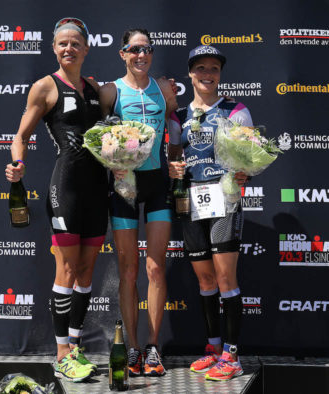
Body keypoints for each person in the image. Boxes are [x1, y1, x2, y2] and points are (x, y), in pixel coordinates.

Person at [4, 17, 104, 383]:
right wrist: (17, 166)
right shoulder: (44, 88)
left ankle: (75, 346)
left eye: (75, 43)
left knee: (87, 272)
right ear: (54, 48)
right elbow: (20, 136)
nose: (68, 48)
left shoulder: (95, 88)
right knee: (66, 270)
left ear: (86, 48)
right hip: (67, 188)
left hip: (98, 189)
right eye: (62, 43)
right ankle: (61, 352)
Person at [168, 45, 252, 381]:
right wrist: (174, 169)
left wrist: (246, 169)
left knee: (225, 278)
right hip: (190, 199)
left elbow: (249, 153)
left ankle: (232, 356)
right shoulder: (178, 116)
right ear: (190, 73)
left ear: (220, 73)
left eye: (213, 68)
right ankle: (214, 348)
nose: (207, 74)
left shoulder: (235, 110)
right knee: (205, 280)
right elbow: (174, 154)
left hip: (224, 196)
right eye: (200, 68)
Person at [98, 28, 178, 377]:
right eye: (134, 49)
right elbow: (98, 136)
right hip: (124, 187)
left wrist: (176, 158)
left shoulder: (164, 89)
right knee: (129, 271)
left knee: (156, 267)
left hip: (157, 183)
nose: (141, 55)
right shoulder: (110, 91)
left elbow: (174, 124)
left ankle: (153, 347)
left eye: (146, 49)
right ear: (122, 54)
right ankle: (131, 347)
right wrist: (111, 164)